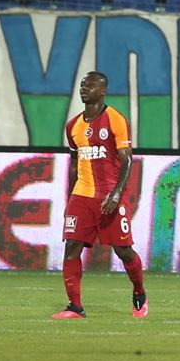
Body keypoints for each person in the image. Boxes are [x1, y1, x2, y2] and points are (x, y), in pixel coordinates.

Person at [53, 71, 147, 319]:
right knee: (71, 247)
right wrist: (70, 199)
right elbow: (74, 164)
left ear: (103, 90)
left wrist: (116, 194)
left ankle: (139, 290)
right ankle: (75, 307)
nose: (85, 89)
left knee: (123, 250)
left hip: (109, 195)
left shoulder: (115, 119)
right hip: (82, 195)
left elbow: (127, 160)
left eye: (91, 85)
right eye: (83, 85)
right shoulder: (73, 125)